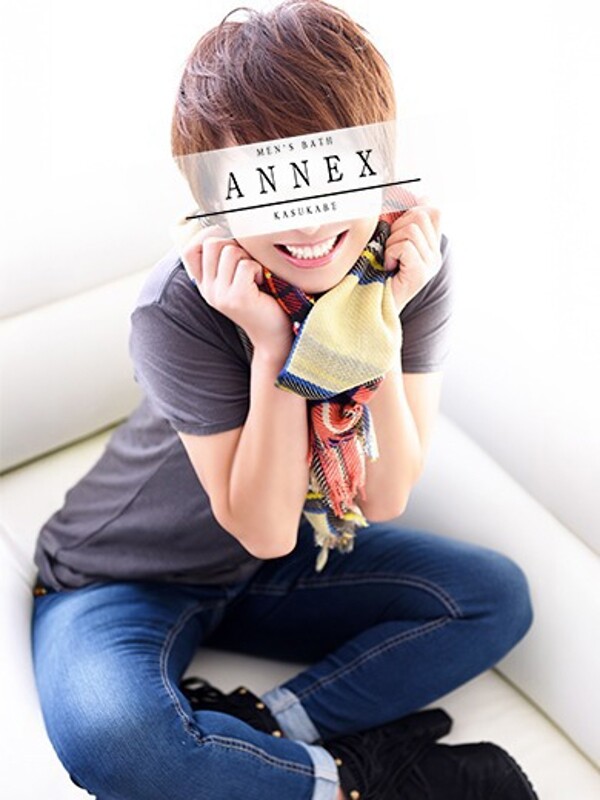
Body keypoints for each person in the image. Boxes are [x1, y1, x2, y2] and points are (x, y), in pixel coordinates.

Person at [31, 2, 537, 798]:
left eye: (332, 175)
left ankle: (266, 729)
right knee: (116, 742)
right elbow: (260, 525)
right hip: (123, 575)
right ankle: (361, 779)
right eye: (265, 189)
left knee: (492, 597)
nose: (308, 223)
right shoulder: (180, 305)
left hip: (281, 563)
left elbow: (383, 498)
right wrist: (272, 346)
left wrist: (384, 319)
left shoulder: (409, 263)